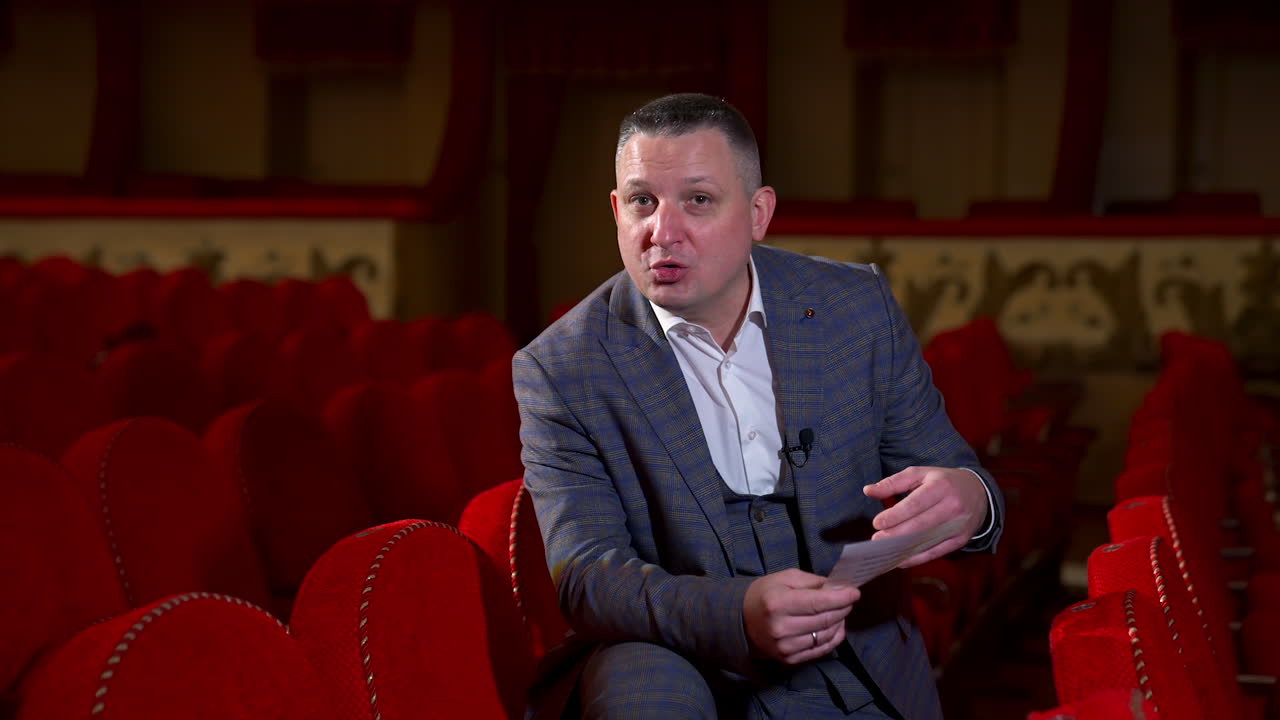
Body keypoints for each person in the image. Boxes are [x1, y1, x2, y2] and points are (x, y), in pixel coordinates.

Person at [513, 93, 1003, 719]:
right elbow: (587, 575)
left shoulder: (855, 308)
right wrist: (737, 615)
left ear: (758, 212)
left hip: (863, 665)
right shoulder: (559, 367)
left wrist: (971, 498)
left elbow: (956, 479)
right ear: (615, 211)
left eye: (698, 200)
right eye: (642, 201)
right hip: (687, 672)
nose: (662, 232)